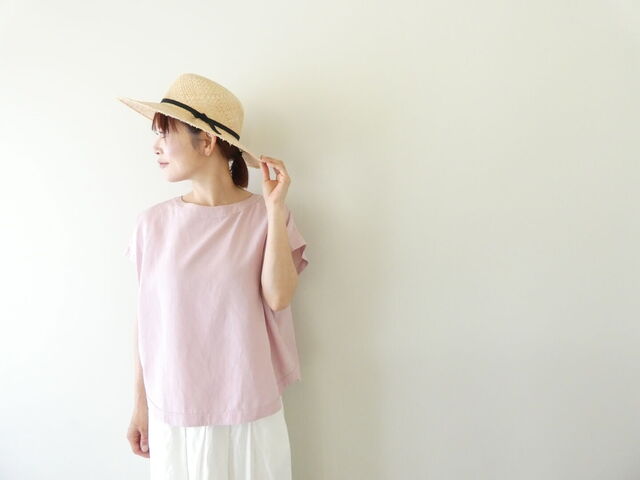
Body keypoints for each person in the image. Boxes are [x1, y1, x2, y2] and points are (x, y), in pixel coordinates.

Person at [118, 73, 309, 479]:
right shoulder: (152, 225)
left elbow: (279, 298)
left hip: (249, 408)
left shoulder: (265, 216)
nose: (155, 146)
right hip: (175, 411)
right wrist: (140, 404)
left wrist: (275, 209)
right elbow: (147, 322)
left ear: (206, 141)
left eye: (165, 134)